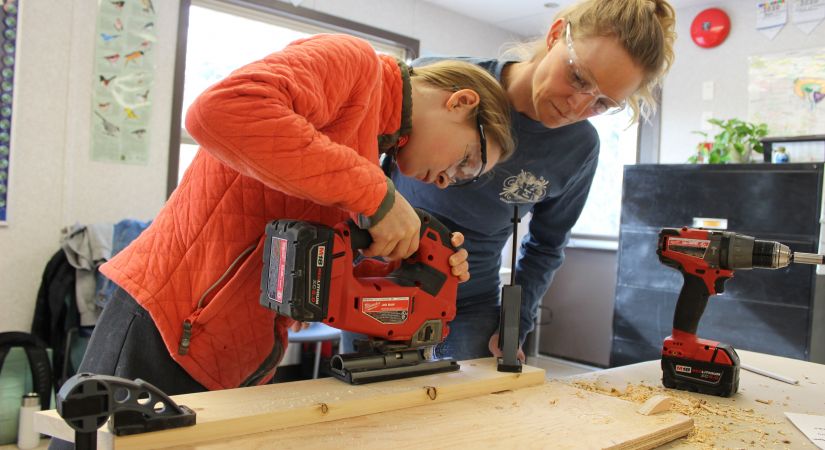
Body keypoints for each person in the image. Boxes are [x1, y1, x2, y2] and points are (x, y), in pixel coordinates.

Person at [62, 33, 516, 401]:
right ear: (460, 102)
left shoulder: (372, 148)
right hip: (168, 324)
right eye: (468, 161)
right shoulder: (353, 63)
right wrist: (378, 197)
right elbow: (220, 110)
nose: (448, 181)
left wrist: (412, 270)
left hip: (229, 347)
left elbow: (311, 246)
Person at [343, 0, 677, 362]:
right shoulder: (439, 77)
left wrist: (517, 320)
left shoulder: (579, 148)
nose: (577, 107)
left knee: (467, 416)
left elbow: (546, 246)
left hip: (469, 304)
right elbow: (351, 167)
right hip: (378, 283)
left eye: (601, 103)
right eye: (579, 78)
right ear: (554, 35)